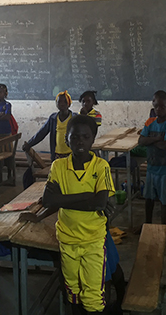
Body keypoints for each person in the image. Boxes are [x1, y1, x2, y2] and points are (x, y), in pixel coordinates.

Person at [42, 115, 115, 314]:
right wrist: (86, 196)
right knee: (72, 291)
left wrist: (64, 199)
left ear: (93, 139)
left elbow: (100, 203)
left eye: (85, 137)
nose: (80, 141)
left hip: (93, 240)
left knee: (93, 296)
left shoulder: (101, 167)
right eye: (74, 137)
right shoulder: (58, 166)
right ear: (66, 139)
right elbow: (48, 201)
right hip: (67, 239)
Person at [138, 91, 166, 226]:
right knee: (148, 198)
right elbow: (141, 141)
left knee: (165, 199)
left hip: (165, 169)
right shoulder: (150, 122)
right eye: (156, 107)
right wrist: (157, 138)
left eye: (162, 107)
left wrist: (150, 140)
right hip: (152, 166)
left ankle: (164, 228)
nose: (158, 110)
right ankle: (147, 224)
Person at [22, 90, 76, 161]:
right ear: (56, 104)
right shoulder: (53, 119)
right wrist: (29, 144)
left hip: (72, 154)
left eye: (65, 102)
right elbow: (41, 133)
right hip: (57, 155)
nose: (62, 104)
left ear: (69, 104)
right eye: (59, 102)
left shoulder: (74, 118)